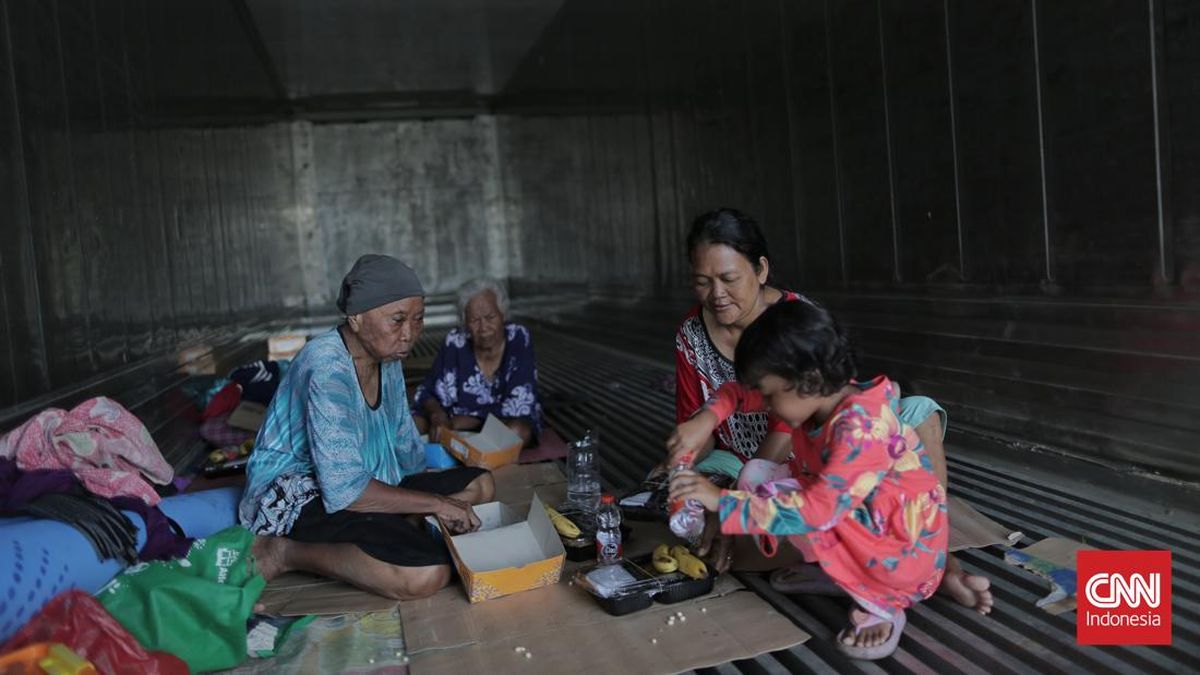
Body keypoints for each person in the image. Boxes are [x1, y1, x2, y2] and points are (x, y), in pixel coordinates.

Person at [667, 208, 992, 614]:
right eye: (702, 282)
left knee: (916, 415)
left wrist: (728, 502)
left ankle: (930, 563)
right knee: (716, 536)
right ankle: (843, 564)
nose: (716, 294)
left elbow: (789, 429)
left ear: (761, 270)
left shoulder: (797, 329)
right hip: (756, 461)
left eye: (729, 279)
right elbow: (733, 404)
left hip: (810, 458)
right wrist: (696, 437)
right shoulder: (694, 336)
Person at [669, 300, 947, 660]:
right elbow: (739, 394)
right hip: (858, 517)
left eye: (770, 396)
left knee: (799, 507)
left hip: (903, 554)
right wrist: (706, 418)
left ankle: (883, 603)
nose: (765, 405)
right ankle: (839, 573)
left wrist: (720, 501)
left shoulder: (861, 429)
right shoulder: (816, 396)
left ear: (809, 381)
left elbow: (818, 511)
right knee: (755, 475)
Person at [240, 254, 495, 601]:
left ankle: (389, 526)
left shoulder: (386, 356)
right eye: (397, 320)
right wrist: (434, 504)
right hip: (301, 491)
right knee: (425, 575)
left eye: (418, 320)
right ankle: (284, 552)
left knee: (481, 482)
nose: (409, 335)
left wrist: (426, 491)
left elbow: (403, 440)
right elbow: (345, 490)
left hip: (370, 477)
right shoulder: (327, 368)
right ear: (356, 318)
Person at [412, 278, 542, 447]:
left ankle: (469, 454)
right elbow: (427, 393)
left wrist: (469, 420)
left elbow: (520, 406)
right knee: (413, 425)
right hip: (455, 424)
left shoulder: (518, 337)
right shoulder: (455, 341)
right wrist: (439, 417)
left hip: (497, 425)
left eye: (490, 317)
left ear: (503, 314)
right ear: (465, 322)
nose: (483, 327)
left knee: (518, 431)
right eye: (474, 320)